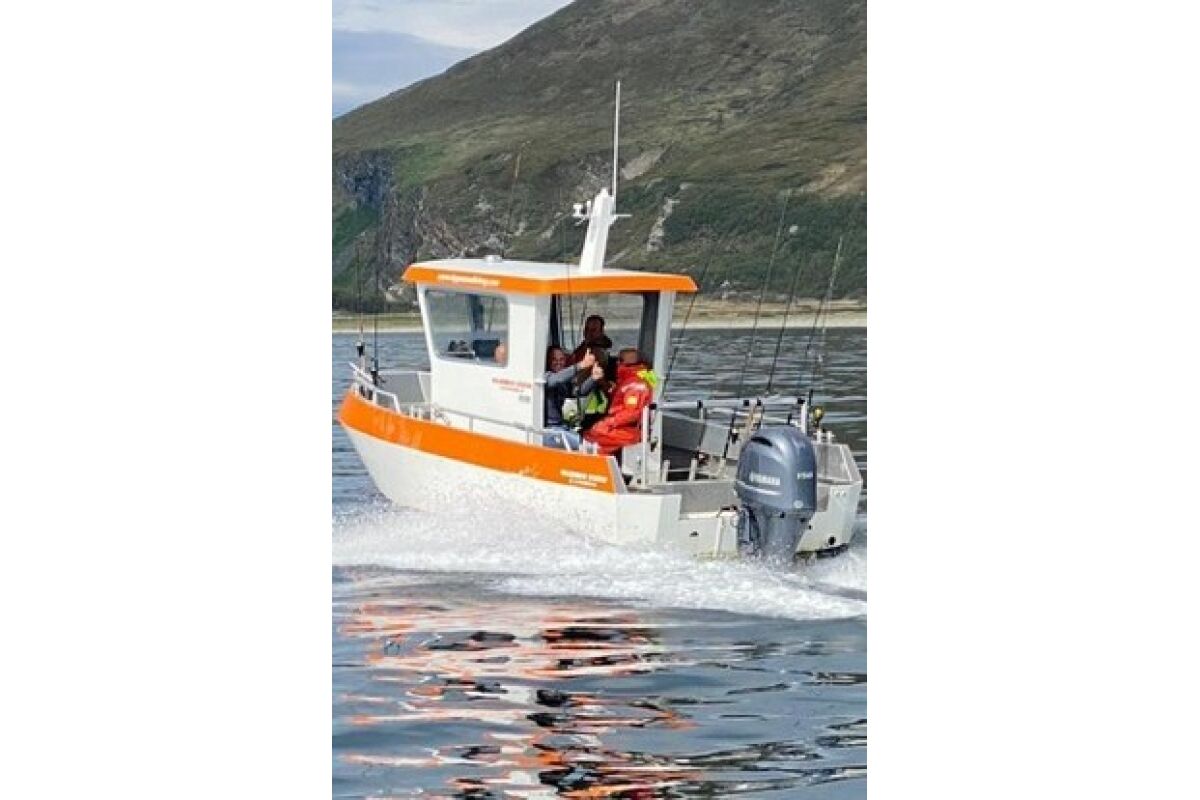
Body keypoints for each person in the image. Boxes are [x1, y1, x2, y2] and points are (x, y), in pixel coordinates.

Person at [583, 348, 659, 456]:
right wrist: (602, 383)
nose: (617, 362)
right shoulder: (631, 379)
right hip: (623, 427)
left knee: (592, 436)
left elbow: (632, 413)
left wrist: (608, 423)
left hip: (627, 431)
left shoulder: (635, 384)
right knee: (592, 433)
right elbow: (617, 396)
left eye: (620, 360)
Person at [542, 346, 597, 449]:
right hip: (548, 430)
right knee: (586, 446)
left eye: (561, 359)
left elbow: (579, 392)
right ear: (548, 361)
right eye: (554, 359)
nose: (558, 362)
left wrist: (593, 378)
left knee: (592, 437)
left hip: (561, 427)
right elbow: (555, 380)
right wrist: (581, 365)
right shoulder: (545, 376)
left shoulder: (563, 380)